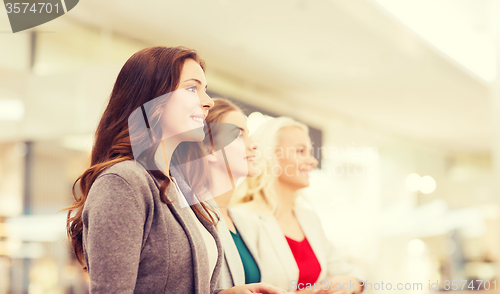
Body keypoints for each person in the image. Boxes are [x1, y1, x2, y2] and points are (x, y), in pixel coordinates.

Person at [64, 46, 286, 294]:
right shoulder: (124, 182)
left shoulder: (177, 186)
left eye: (205, 90)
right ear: (153, 98)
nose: (208, 102)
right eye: (192, 88)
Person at [232, 117, 364, 294]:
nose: (313, 162)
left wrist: (351, 283)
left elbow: (352, 275)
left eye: (310, 152)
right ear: (271, 157)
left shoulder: (309, 219)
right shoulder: (242, 218)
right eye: (301, 151)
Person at [203, 98, 262, 288]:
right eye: (238, 135)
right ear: (209, 149)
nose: (253, 144)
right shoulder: (195, 218)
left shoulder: (241, 221)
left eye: (249, 135)